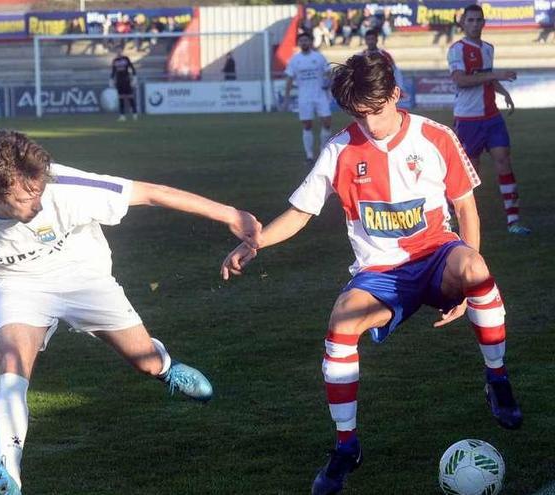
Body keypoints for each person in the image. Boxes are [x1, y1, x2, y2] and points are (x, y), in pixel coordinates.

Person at [222, 53, 522, 495]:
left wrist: (468, 283)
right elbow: (301, 212)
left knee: (476, 268)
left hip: (438, 255)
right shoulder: (340, 149)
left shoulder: (435, 137)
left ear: (396, 95)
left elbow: (464, 207)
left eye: (377, 110)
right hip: (380, 272)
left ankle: (497, 380)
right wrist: (257, 241)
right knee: (341, 321)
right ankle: (347, 446)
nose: (371, 122)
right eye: (360, 113)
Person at [0, 130, 264, 495]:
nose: (37, 205)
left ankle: (165, 367)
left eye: (38, 192)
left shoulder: (65, 185)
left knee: (145, 362)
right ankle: (8, 472)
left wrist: (231, 214)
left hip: (84, 276)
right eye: (25, 200)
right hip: (18, 286)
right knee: (12, 364)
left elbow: (151, 193)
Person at [448, 4, 530, 235]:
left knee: (503, 159)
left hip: (492, 116)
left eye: (478, 20)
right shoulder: (456, 50)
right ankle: (449, 214)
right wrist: (496, 75)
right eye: (470, 20)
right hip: (468, 119)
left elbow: (486, 77)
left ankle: (513, 221)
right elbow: (461, 80)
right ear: (463, 23)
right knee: (468, 172)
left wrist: (503, 92)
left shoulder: (488, 48)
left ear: (484, 23)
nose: (475, 24)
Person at [283, 31, 332, 166]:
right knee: (307, 125)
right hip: (304, 96)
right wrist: (286, 98)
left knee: (327, 122)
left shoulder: (319, 57)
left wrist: (329, 83)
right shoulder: (294, 59)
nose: (304, 43)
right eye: (301, 41)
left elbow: (329, 72)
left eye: (306, 40)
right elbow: (289, 78)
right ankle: (309, 156)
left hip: (320, 94)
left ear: (310, 42)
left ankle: (323, 151)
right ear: (299, 43)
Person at [110, 48, 138, 121]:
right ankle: (122, 115)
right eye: (117, 51)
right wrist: (111, 80)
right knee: (121, 98)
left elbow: (132, 68)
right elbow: (113, 71)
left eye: (119, 51)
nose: (118, 52)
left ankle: (134, 114)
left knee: (130, 97)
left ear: (122, 51)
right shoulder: (115, 60)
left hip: (126, 80)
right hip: (119, 82)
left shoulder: (126, 59)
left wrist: (134, 77)